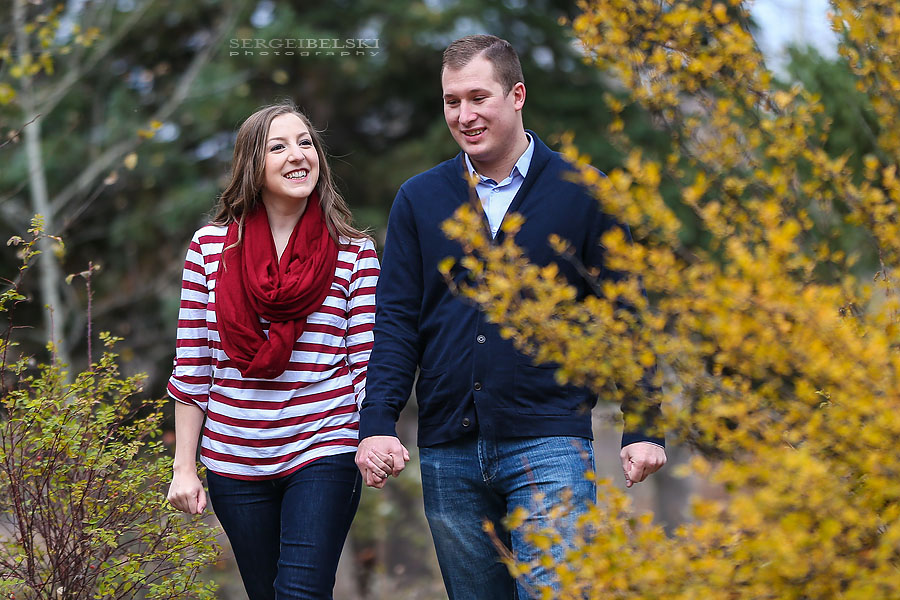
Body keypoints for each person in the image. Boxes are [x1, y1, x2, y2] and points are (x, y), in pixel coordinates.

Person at [355, 35, 666, 598]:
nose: (464, 115)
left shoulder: (584, 193)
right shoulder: (419, 200)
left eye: (479, 97)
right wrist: (378, 421)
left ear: (517, 94)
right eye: (452, 101)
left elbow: (628, 315)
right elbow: (397, 322)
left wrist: (643, 424)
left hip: (550, 441)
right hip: (448, 448)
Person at [166, 102, 378, 600]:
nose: (297, 155)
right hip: (234, 459)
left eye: (305, 142)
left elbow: (366, 361)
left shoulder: (354, 251)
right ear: (251, 166)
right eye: (278, 146)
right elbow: (194, 366)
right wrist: (184, 466)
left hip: (324, 445)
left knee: (300, 593)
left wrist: (375, 435)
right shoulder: (209, 249)